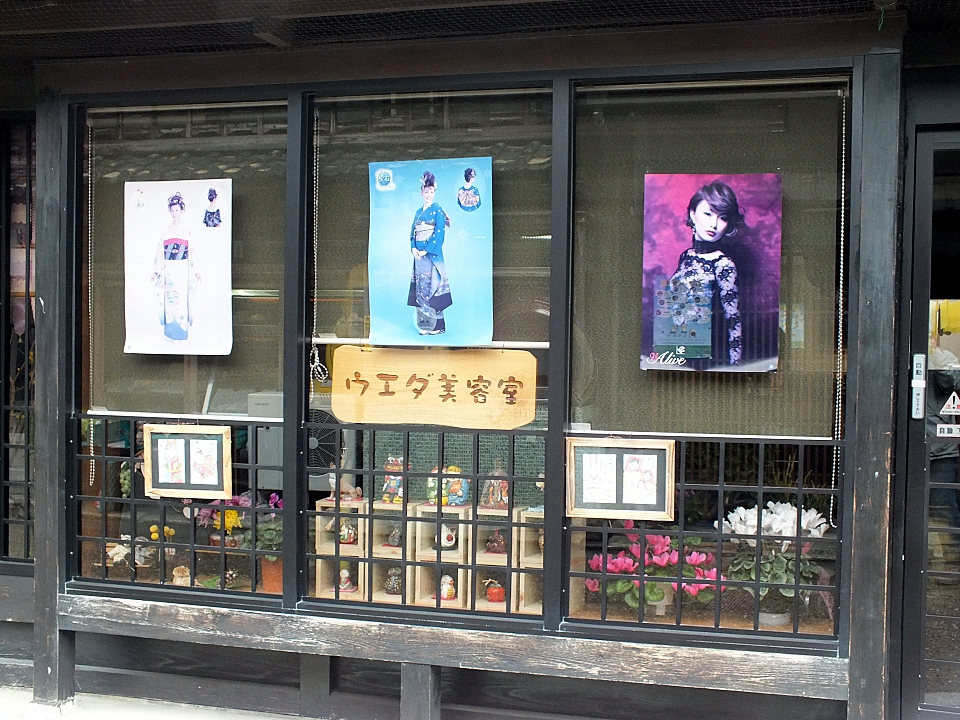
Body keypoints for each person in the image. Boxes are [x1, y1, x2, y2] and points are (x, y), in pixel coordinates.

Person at [666, 181, 743, 365]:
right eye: (708, 214)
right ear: (693, 214)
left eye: (722, 217)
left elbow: (733, 320)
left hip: (705, 360)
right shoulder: (686, 256)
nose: (714, 224)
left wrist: (735, 369)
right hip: (676, 351)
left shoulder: (723, 264)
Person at [407, 171, 452, 335]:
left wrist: (426, 249)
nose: (429, 195)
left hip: (431, 255)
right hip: (419, 256)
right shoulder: (418, 212)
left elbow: (439, 233)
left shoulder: (437, 209)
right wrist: (413, 248)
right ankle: (424, 325)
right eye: (426, 192)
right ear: (421, 192)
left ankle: (437, 326)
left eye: (431, 192)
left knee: (433, 288)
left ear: (434, 192)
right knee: (421, 288)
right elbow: (413, 232)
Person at [151, 192, 199, 342]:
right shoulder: (166, 231)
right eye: (172, 210)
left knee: (182, 298)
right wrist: (156, 271)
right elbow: (160, 251)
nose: (174, 213)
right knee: (170, 299)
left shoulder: (186, 230)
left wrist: (196, 271)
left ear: (182, 210)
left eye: (177, 210)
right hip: (169, 269)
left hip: (183, 268)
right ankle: (171, 333)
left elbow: (192, 252)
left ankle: (182, 332)